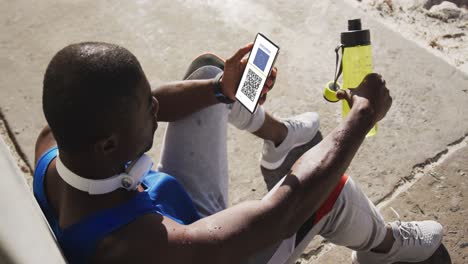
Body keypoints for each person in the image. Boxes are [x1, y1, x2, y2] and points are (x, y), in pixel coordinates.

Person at [33, 41, 443, 264]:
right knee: (330, 193)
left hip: (171, 214)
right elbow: (283, 211)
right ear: (108, 143)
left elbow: (153, 101)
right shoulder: (137, 248)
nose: (156, 107)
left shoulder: (54, 144)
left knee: (208, 72)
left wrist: (219, 90)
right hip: (201, 248)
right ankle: (384, 248)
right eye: (147, 107)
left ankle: (281, 137)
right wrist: (362, 117)